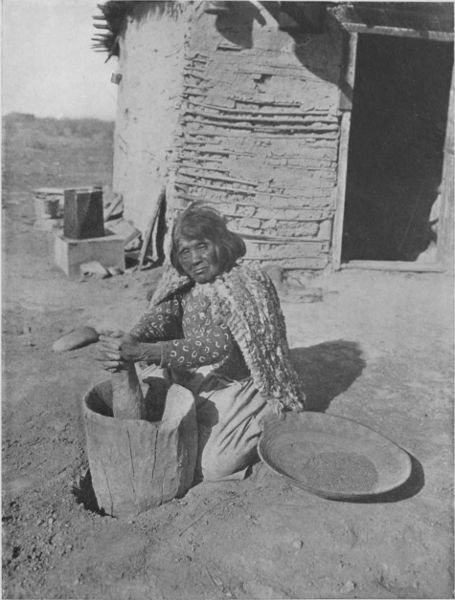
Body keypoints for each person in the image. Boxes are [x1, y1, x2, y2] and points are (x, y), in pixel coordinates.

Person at [98, 202, 305, 481]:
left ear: (221, 244)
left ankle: (268, 418)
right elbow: (165, 313)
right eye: (185, 251)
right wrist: (133, 337)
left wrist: (143, 351)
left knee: (213, 466)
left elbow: (215, 345)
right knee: (156, 404)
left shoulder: (244, 284)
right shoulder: (186, 285)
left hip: (238, 386)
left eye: (202, 246)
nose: (195, 258)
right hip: (195, 376)